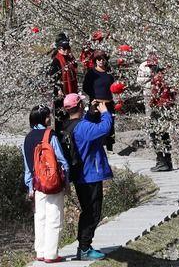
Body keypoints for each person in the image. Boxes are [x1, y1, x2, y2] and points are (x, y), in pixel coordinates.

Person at [62, 93, 113, 261]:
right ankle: (84, 248)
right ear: (79, 106)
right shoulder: (83, 128)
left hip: (80, 175)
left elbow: (88, 126)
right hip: (89, 174)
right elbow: (103, 129)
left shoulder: (69, 125)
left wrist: (92, 112)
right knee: (92, 212)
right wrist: (105, 112)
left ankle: (84, 247)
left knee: (88, 211)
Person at [22, 104, 69, 264]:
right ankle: (51, 254)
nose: (50, 118)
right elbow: (62, 160)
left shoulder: (27, 138)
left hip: (37, 184)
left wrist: (30, 187)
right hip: (53, 183)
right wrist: (66, 181)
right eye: (48, 115)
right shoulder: (50, 135)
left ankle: (40, 251)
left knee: (40, 217)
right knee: (54, 217)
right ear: (43, 118)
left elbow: (28, 166)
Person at [82, 49, 115, 150]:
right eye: (99, 59)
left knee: (110, 125)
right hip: (96, 103)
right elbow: (85, 87)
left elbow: (113, 86)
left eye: (103, 59)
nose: (101, 61)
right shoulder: (91, 73)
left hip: (109, 103)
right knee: (95, 125)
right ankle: (97, 148)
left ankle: (110, 148)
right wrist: (94, 96)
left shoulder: (109, 72)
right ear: (95, 60)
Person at [48, 33, 79, 133]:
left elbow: (75, 68)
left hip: (72, 93)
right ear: (58, 49)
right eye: (63, 48)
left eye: (67, 48)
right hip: (61, 96)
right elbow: (51, 78)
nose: (65, 50)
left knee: (73, 120)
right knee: (61, 122)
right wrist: (58, 89)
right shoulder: (56, 61)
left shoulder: (70, 59)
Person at [149, 66, 176, 172]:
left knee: (154, 133)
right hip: (169, 108)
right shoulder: (169, 77)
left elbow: (154, 96)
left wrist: (151, 103)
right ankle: (168, 161)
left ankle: (161, 161)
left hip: (159, 108)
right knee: (165, 134)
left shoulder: (157, 78)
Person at [136, 50, 158, 119]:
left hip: (159, 90)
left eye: (153, 54)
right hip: (148, 90)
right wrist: (150, 76)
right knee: (149, 110)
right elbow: (139, 81)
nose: (152, 56)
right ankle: (149, 124)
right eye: (150, 54)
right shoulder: (143, 66)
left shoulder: (159, 64)